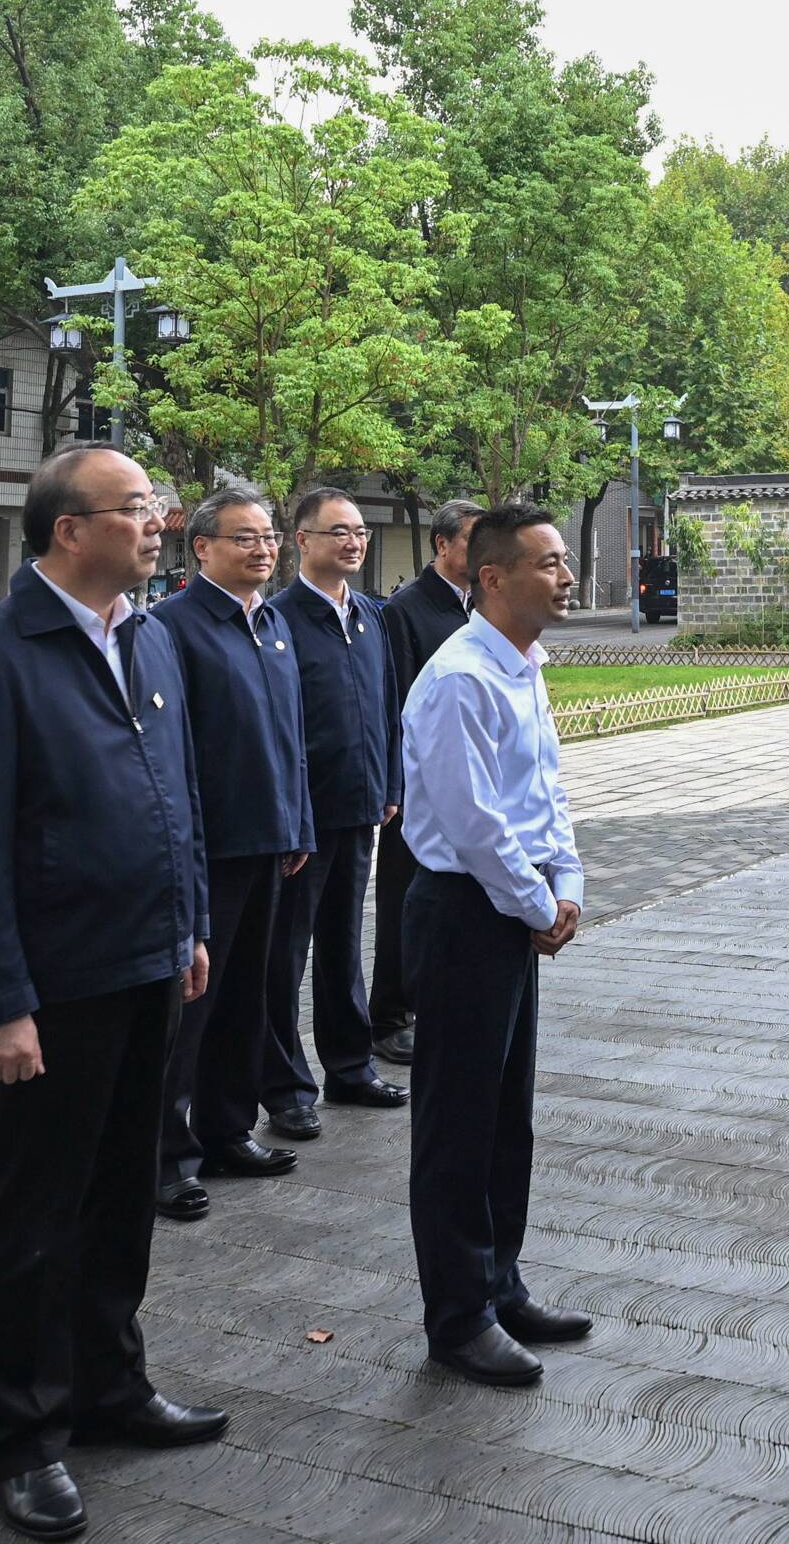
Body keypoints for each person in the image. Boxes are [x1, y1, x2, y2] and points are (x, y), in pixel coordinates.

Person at [0, 442, 223, 1541]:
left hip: (147, 965)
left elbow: (172, 793)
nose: (158, 523)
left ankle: (109, 1385)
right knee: (31, 1217)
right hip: (51, 990)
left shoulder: (144, 635)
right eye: (136, 508)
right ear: (68, 531)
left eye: (155, 506)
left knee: (120, 1194)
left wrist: (188, 924)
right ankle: (22, 1437)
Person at [401, 502, 591, 1387]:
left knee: (505, 1112)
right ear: (492, 577)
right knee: (456, 1121)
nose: (565, 576)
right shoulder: (458, 679)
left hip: (511, 909)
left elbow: (544, 790)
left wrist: (568, 885)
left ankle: (499, 1279)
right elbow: (474, 821)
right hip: (463, 912)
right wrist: (531, 902)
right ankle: (457, 1315)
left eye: (563, 562)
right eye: (548, 563)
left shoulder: (525, 665)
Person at [146, 493, 316, 1220]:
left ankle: (226, 1130)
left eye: (269, 536)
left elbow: (290, 736)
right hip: (208, 848)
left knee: (251, 996)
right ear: (202, 548)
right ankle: (166, 1158)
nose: (261, 549)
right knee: (190, 1011)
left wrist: (298, 823)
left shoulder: (271, 621)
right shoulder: (171, 628)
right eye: (243, 537)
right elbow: (170, 750)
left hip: (270, 843)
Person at [262, 488, 406, 1138]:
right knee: (285, 954)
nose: (353, 542)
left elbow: (387, 709)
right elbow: (276, 727)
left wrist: (389, 782)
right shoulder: (279, 620)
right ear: (303, 541)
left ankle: (349, 1066)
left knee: (345, 945)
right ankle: (286, 1087)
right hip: (301, 819)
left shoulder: (371, 616)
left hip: (359, 808)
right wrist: (290, 814)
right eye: (337, 532)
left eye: (359, 532)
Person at [373, 497, 482, 1063]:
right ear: (442, 545)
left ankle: (432, 1001)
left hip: (469, 780)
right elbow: (396, 703)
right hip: (417, 786)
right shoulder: (407, 610)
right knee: (402, 897)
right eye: (473, 541)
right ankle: (389, 1013)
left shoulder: (478, 607)